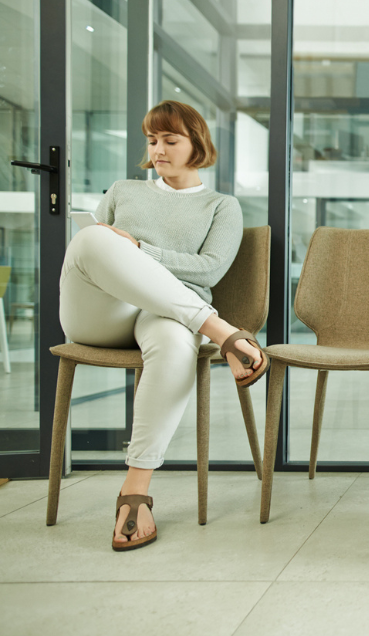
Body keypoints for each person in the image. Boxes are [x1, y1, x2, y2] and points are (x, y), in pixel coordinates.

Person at [62, 100, 268, 552]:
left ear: (197, 144)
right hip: (100, 313)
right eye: (153, 140)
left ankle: (135, 493)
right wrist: (124, 249)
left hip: (166, 315)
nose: (158, 149)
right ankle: (221, 331)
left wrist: (141, 248)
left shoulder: (221, 206)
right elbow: (102, 255)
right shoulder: (123, 190)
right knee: (92, 236)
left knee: (177, 344)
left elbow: (211, 270)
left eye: (170, 140)